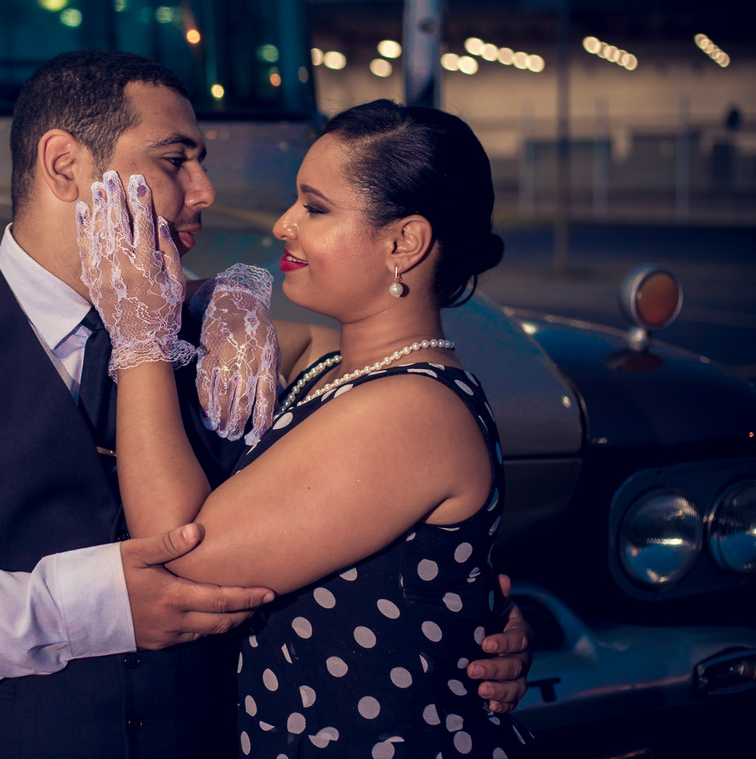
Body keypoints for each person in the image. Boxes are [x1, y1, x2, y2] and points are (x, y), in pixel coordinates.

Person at [0, 52, 529, 759]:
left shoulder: (241, 334)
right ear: (65, 166)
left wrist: (471, 622)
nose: (207, 193)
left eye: (202, 161)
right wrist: (70, 608)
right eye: (175, 161)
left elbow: (401, 471)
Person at [76, 99, 533, 757]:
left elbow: (178, 554)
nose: (284, 224)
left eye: (316, 208)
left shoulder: (407, 411)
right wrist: (223, 293)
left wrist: (142, 340)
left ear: (403, 243)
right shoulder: (344, 367)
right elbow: (250, 328)